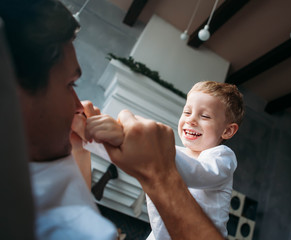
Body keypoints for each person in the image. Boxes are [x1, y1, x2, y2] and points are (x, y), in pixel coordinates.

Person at [0, 0, 225, 239]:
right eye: (70, 85)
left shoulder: (31, 167)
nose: (79, 105)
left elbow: (77, 208)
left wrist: (80, 146)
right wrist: (159, 174)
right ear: (14, 97)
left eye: (205, 116)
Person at [85, 81, 245, 239]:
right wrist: (90, 137)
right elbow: (132, 157)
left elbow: (196, 172)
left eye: (204, 116)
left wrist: (134, 140)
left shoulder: (222, 157)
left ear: (228, 130)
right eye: (187, 112)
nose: (191, 120)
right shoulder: (175, 153)